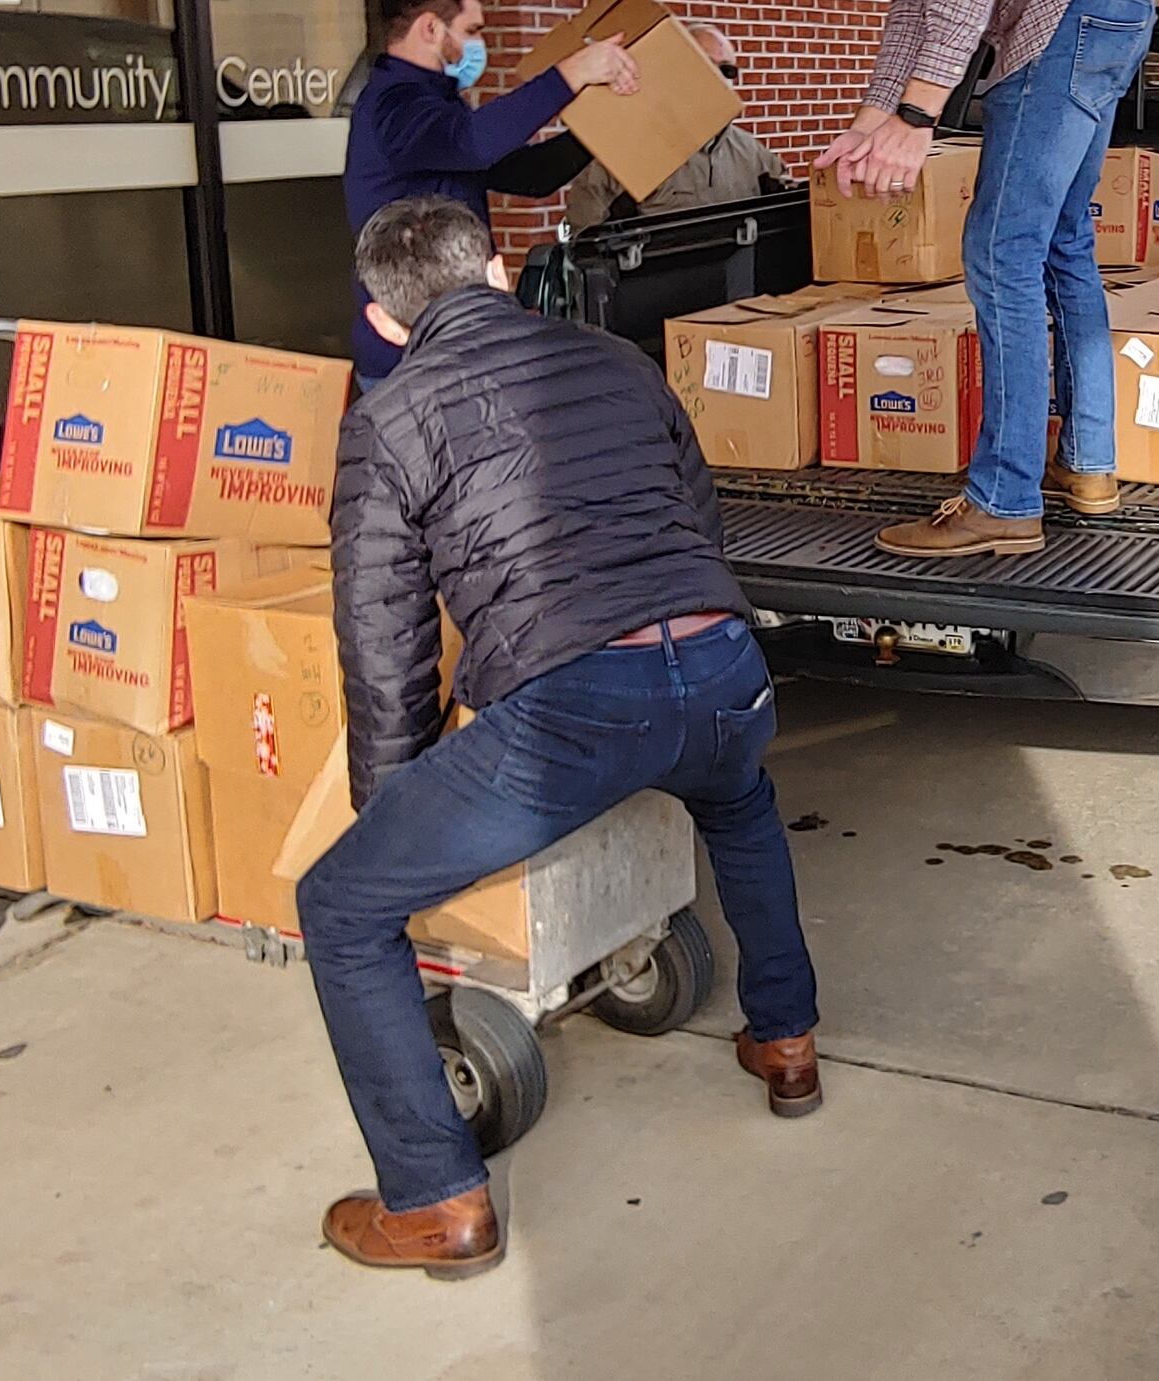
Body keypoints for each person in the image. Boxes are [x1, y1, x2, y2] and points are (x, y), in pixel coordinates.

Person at [298, 196, 825, 1280]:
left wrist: (393, 806)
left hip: (580, 699)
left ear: (386, 321)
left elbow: (383, 635)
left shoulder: (388, 417)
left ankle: (438, 1204)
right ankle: (787, 1041)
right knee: (739, 800)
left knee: (342, 906)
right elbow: (695, 517)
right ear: (497, 273)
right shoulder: (619, 361)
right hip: (727, 662)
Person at [711, 0, 1159, 559]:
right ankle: (1088, 463)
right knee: (1058, 243)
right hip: (1107, 1)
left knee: (998, 249)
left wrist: (919, 118)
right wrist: (873, 115)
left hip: (1064, 11)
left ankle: (1004, 496)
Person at [343, 0, 641, 391]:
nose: (478, 45)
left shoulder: (436, 110)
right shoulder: (394, 106)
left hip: (455, 341)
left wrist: (606, 125)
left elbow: (530, 175)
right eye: (472, 31)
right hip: (410, 353)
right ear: (430, 28)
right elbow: (475, 142)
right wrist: (573, 73)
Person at [553, 21, 793, 229]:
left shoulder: (754, 156)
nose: (718, 78)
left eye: (727, 70)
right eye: (706, 65)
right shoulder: (619, 157)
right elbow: (585, 246)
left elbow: (793, 214)